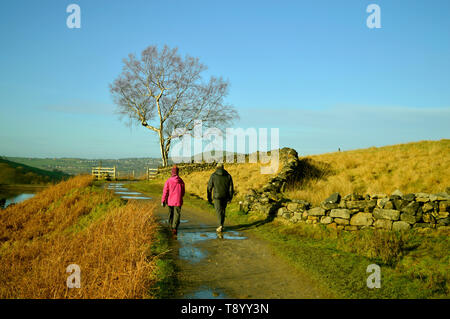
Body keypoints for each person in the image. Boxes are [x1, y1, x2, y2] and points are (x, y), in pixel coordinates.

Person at [207, 163, 234, 233]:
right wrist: (230, 197)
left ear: (216, 168)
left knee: (218, 210)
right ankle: (221, 224)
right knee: (223, 210)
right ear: (223, 167)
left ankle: (220, 225)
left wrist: (209, 198)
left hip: (217, 196)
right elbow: (231, 188)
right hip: (225, 196)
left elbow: (209, 187)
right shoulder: (228, 176)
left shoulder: (213, 175)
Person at [161, 165, 185, 236]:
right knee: (177, 214)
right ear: (177, 172)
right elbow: (183, 191)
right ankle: (174, 228)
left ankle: (170, 226)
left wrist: (163, 200)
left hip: (170, 200)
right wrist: (181, 196)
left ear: (172, 172)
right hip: (178, 200)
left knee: (170, 213)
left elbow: (165, 191)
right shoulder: (181, 181)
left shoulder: (168, 181)